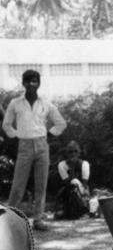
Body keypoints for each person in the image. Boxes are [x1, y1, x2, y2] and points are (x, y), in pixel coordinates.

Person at [2, 70, 66, 231]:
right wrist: (16, 136)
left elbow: (61, 123)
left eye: (35, 81)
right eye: (28, 81)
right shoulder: (15, 103)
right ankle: (10, 219)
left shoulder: (46, 103)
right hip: (24, 146)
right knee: (18, 184)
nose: (32, 84)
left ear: (39, 83)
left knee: (41, 184)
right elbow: (6, 125)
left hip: (42, 146)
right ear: (23, 83)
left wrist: (49, 136)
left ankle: (38, 219)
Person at [55, 141, 91, 220]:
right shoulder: (62, 165)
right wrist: (71, 167)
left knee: (76, 182)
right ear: (67, 153)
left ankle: (83, 210)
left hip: (82, 191)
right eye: (70, 152)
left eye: (75, 151)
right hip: (67, 191)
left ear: (79, 153)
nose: (73, 154)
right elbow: (67, 182)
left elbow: (84, 183)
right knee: (73, 183)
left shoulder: (84, 164)